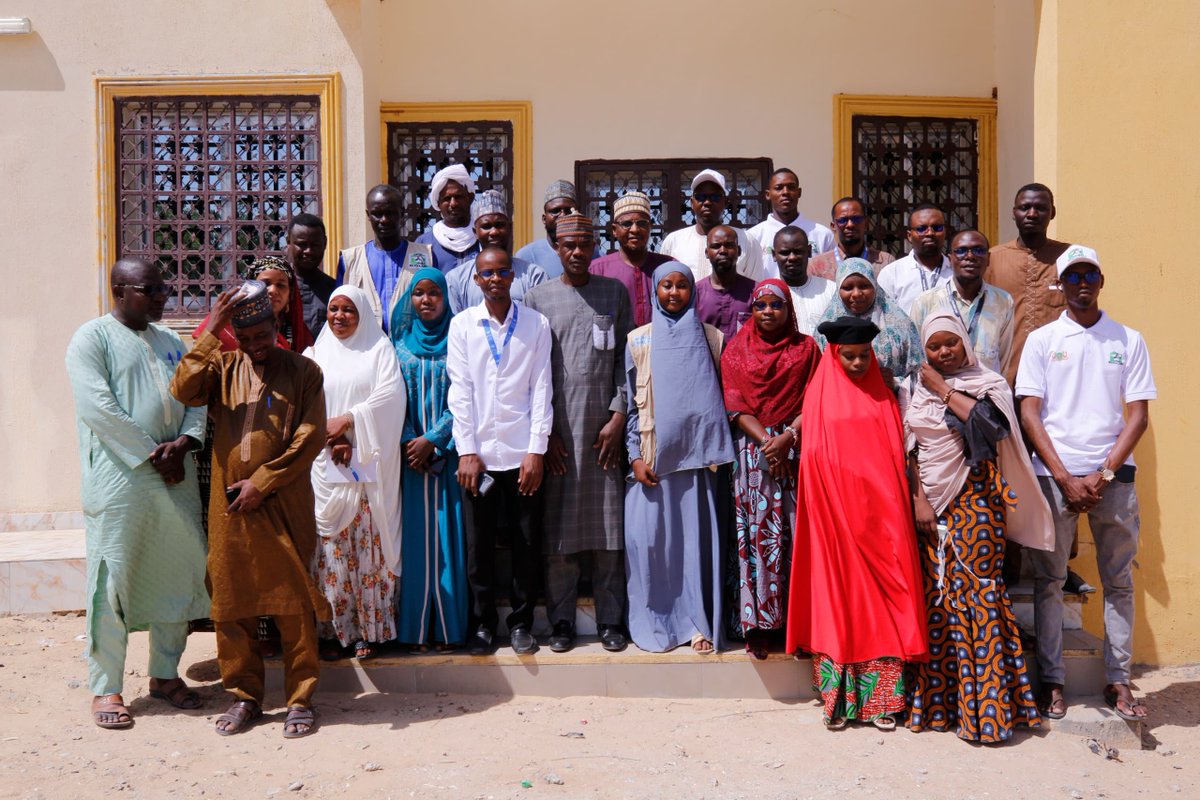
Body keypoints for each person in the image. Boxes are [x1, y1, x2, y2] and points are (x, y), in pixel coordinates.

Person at [170, 281, 330, 739]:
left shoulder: (304, 372)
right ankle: (245, 696)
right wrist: (211, 330)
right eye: (247, 338)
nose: (256, 346)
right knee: (231, 601)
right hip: (230, 507)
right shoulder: (222, 365)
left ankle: (300, 699)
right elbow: (183, 389)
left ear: (275, 326)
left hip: (284, 502)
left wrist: (263, 481)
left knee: (293, 601)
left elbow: (310, 437)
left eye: (263, 335)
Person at [65, 258, 210, 730]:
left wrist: (186, 443)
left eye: (164, 288)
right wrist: (153, 454)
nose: (163, 297)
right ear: (120, 290)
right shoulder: (92, 339)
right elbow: (98, 409)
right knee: (113, 578)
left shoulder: (171, 341)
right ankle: (107, 686)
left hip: (176, 476)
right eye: (151, 290)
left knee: (178, 572)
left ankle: (165, 676)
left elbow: (196, 398)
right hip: (121, 478)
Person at [1015, 245, 1156, 723]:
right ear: (1060, 284)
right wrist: (1063, 475)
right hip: (1054, 476)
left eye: (1088, 275)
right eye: (1072, 276)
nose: (1081, 284)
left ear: (1101, 279)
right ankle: (1052, 681)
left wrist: (1103, 473)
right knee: (1049, 581)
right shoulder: (1041, 340)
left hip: (1113, 478)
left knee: (1118, 581)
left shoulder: (1128, 339)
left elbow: (1138, 415)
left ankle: (1118, 680)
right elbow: (1030, 411)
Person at [901, 313, 1052, 743]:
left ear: (966, 343)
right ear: (925, 350)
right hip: (931, 506)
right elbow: (909, 449)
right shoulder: (912, 387)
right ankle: (941, 708)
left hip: (978, 501)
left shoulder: (988, 383)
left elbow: (991, 426)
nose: (944, 351)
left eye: (952, 343)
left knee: (981, 598)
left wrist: (944, 388)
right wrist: (920, 500)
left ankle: (987, 713)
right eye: (935, 346)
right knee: (941, 601)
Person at [785, 316, 928, 730]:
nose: (857, 364)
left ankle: (881, 702)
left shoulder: (884, 398)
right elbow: (813, 464)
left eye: (864, 356)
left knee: (881, 610)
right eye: (848, 356)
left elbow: (896, 461)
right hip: (835, 525)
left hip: (881, 524)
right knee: (839, 606)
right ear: (833, 354)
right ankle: (837, 700)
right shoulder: (819, 398)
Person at [524, 214, 633, 653]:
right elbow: (530, 374)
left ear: (594, 247)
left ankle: (611, 622)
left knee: (610, 533)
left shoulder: (614, 293)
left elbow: (629, 359)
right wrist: (543, 434)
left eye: (584, 245)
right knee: (560, 535)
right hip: (559, 435)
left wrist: (619, 415)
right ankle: (562, 622)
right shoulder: (537, 299)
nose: (576, 253)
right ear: (556, 247)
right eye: (568, 245)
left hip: (603, 433)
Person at [446, 246, 553, 655]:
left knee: (526, 543)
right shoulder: (462, 326)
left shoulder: (536, 324)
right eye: (487, 273)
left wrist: (536, 451)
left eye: (502, 272)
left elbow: (542, 389)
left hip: (522, 452)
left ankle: (522, 623)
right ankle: (483, 624)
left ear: (513, 277)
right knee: (480, 545)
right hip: (480, 457)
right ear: (476, 279)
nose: (494, 279)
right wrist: (467, 450)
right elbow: (461, 392)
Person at [624, 263, 735, 654]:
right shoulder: (639, 340)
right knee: (652, 548)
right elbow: (629, 406)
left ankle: (697, 625)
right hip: (654, 462)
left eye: (682, 285)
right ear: (655, 291)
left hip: (700, 465)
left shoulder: (712, 338)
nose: (674, 293)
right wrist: (635, 457)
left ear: (693, 290)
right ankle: (658, 623)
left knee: (696, 550)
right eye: (666, 286)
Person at [304, 286, 405, 661]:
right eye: (334, 309)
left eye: (349, 309)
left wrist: (349, 424)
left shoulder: (379, 351)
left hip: (367, 469)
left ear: (362, 314)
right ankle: (335, 632)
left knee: (369, 550)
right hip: (326, 468)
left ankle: (370, 632)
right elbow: (307, 404)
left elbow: (390, 399)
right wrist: (331, 440)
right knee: (331, 552)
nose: (340, 316)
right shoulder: (315, 354)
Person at [720, 279, 820, 659]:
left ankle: (797, 625)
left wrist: (789, 437)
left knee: (795, 536)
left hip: (797, 449)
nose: (767, 312)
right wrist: (769, 442)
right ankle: (758, 625)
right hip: (753, 454)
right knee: (757, 538)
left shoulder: (807, 349)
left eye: (775, 305)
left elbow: (816, 396)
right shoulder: (736, 349)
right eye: (760, 305)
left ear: (788, 308)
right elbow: (735, 402)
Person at [389, 267, 469, 649]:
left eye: (433, 293)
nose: (425, 300)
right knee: (417, 544)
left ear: (445, 297)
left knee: (447, 540)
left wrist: (434, 440)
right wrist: (411, 442)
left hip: (447, 457)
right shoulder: (399, 345)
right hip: (410, 462)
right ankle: (417, 631)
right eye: (419, 293)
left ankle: (450, 630)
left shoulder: (460, 340)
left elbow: (467, 396)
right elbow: (391, 398)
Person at [985, 183, 1069, 384]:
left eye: (1040, 208)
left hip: (1060, 371)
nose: (1032, 214)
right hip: (1006, 373)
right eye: (1025, 208)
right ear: (1014, 213)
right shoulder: (991, 260)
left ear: (1053, 212)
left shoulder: (1068, 258)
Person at [910, 229, 1014, 375]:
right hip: (939, 391)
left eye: (978, 250)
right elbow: (916, 358)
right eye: (961, 251)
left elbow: (1004, 359)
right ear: (950, 259)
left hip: (986, 392)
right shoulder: (925, 302)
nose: (970, 256)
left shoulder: (1003, 301)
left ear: (988, 258)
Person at [337, 184, 433, 333]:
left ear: (402, 214)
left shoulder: (426, 256)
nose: (384, 220)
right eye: (377, 214)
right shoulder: (349, 260)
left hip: (412, 350)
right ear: (368, 215)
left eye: (390, 213)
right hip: (366, 351)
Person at [814, 258, 922, 387]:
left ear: (875, 286)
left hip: (891, 402)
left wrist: (895, 382)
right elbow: (817, 378)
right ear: (838, 290)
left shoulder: (901, 326)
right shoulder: (825, 332)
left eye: (864, 286)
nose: (856, 293)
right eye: (848, 288)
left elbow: (920, 373)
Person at [445, 189, 548, 313]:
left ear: (509, 228)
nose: (494, 232)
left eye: (499, 225)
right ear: (475, 232)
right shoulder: (456, 279)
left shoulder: (534, 276)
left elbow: (540, 324)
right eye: (486, 226)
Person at [660, 169, 764, 282]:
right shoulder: (674, 241)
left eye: (715, 197)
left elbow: (755, 287)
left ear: (726, 201)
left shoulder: (746, 240)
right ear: (692, 203)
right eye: (700, 197)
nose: (707, 202)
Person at [192, 255, 312, 353]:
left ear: (290, 294)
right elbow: (198, 362)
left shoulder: (299, 333)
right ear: (251, 288)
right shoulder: (226, 324)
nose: (273, 291)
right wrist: (213, 331)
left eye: (281, 285)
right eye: (265, 283)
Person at [589, 191, 673, 327]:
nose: (635, 229)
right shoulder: (597, 270)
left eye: (642, 223)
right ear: (614, 230)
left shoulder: (668, 267)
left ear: (650, 227)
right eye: (627, 223)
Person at [747, 167, 835, 267]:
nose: (785, 192)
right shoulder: (753, 237)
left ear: (799, 192)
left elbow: (831, 274)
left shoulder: (822, 235)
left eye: (791, 187)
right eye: (778, 188)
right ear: (768, 194)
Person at [876, 204, 952, 315]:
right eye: (922, 229)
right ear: (909, 236)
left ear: (945, 232)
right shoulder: (891, 274)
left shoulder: (957, 273)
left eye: (937, 228)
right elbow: (882, 318)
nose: (930, 233)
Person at [516, 180, 601, 277]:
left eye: (569, 211)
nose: (563, 216)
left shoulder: (595, 254)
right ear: (544, 219)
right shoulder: (526, 256)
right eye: (555, 211)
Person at [808, 197, 896, 281]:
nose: (850, 225)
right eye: (843, 220)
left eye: (856, 219)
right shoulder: (816, 266)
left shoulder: (886, 262)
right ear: (833, 226)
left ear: (866, 223)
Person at [693, 225, 756, 340]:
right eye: (716, 246)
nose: (723, 251)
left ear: (739, 251)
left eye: (729, 245)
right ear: (707, 253)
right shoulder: (695, 293)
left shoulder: (755, 291)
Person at [416, 164, 481, 271]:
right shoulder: (423, 243)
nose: (453, 203)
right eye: (447, 199)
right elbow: (416, 281)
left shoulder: (483, 238)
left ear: (470, 197)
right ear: (438, 203)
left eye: (458, 197)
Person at [771, 225, 835, 335]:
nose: (792, 258)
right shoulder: (768, 294)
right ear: (774, 255)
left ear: (809, 251)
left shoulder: (831, 290)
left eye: (798, 251)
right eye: (785, 253)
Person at [287, 213, 336, 338]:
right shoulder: (279, 289)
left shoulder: (335, 290)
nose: (308, 251)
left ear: (325, 243)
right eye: (302, 244)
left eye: (315, 245)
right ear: (289, 242)